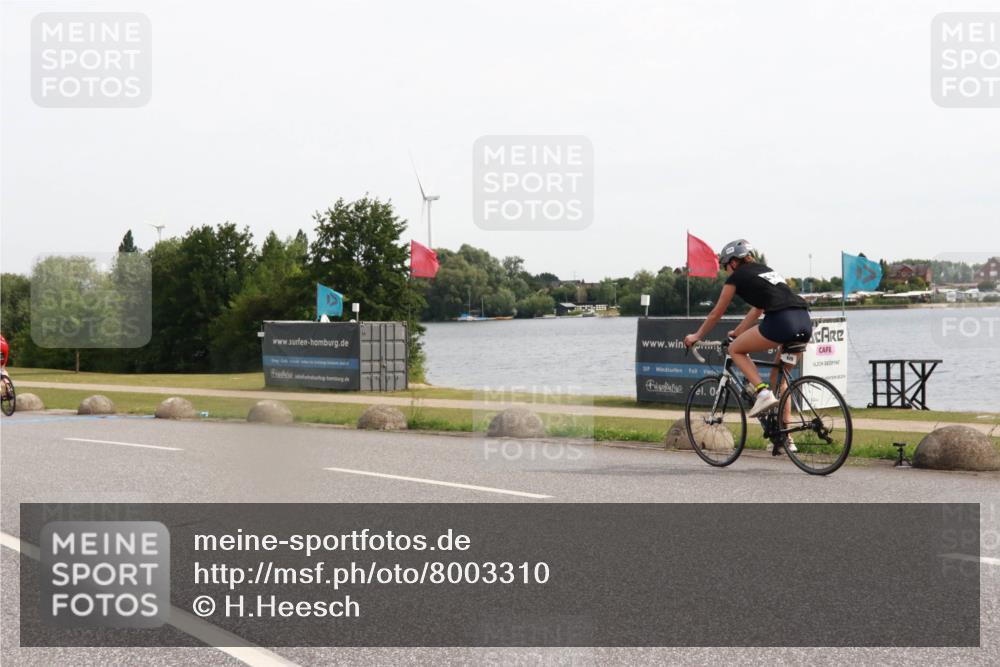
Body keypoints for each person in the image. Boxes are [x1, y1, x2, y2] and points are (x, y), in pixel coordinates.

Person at [683, 239, 812, 452]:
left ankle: (762, 393)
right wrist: (738, 332)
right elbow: (758, 309)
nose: (725, 271)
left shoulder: (736, 277)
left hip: (781, 321)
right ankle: (786, 439)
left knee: (735, 349)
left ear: (734, 262)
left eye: (725, 266)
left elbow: (716, 313)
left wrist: (697, 335)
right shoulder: (766, 271)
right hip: (804, 321)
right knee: (779, 380)